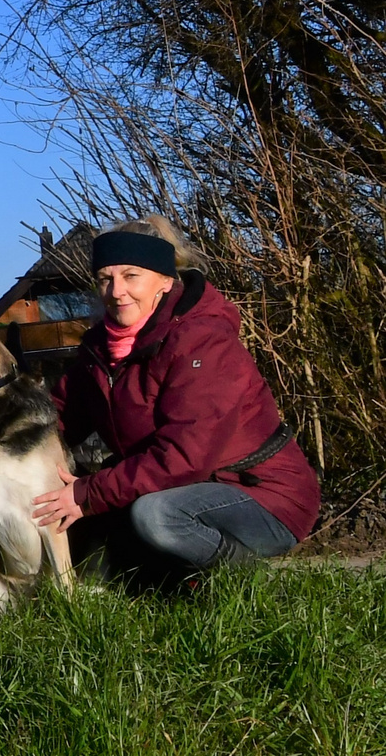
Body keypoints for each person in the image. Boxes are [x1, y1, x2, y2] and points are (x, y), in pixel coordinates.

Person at [32, 217, 320, 579]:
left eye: (131, 276)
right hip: (168, 485)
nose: (117, 291)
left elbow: (185, 457)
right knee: (90, 558)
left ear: (165, 281)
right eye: (106, 278)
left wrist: (88, 493)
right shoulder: (99, 348)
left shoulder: (202, 340)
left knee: (157, 517)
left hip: (257, 492)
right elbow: (58, 416)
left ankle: (244, 579)